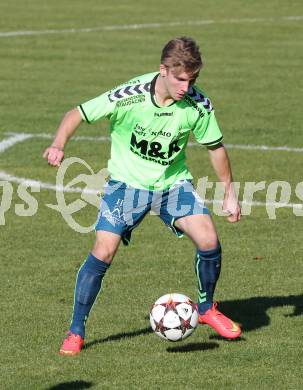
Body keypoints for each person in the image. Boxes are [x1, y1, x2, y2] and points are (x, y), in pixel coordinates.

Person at [43, 36, 241, 356]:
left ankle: (205, 309)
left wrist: (229, 193)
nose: (185, 87)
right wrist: (58, 144)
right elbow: (77, 113)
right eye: (180, 79)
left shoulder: (197, 105)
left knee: (208, 239)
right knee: (103, 251)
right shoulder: (129, 95)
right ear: (163, 70)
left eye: (192, 80)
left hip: (172, 185)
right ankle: (76, 329)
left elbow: (215, 148)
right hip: (125, 185)